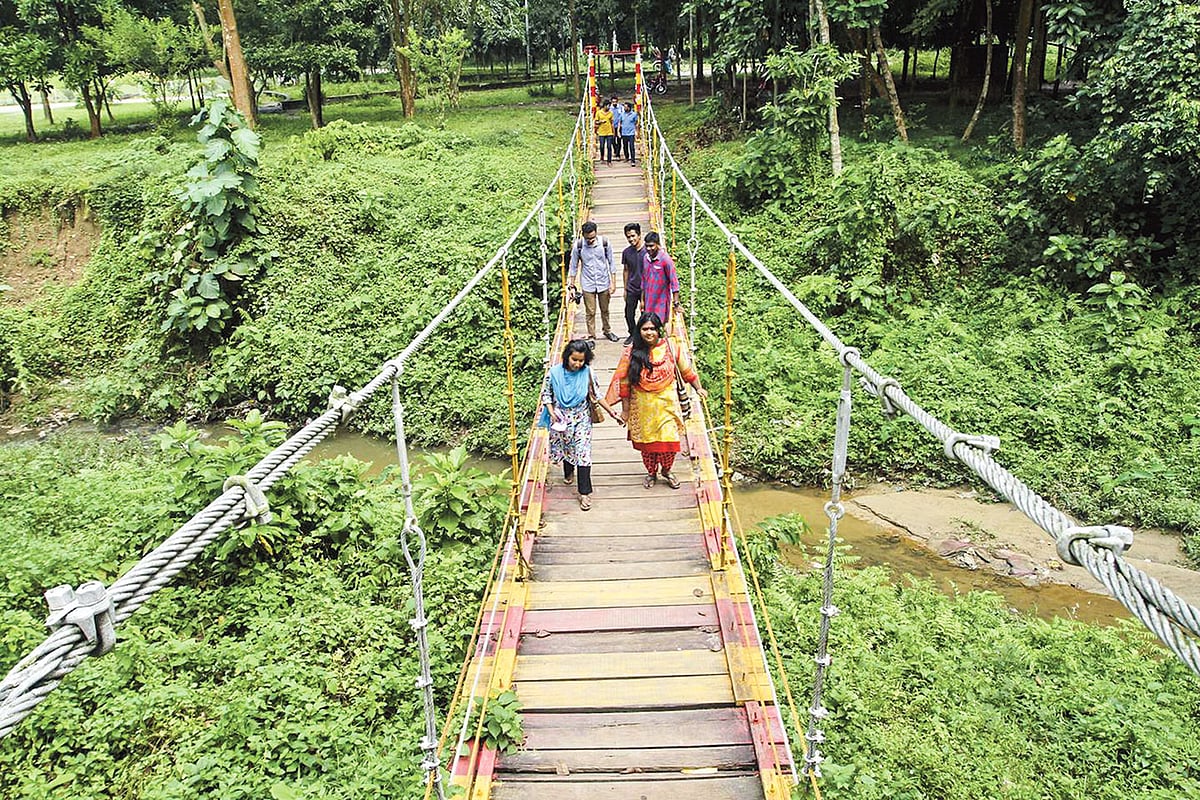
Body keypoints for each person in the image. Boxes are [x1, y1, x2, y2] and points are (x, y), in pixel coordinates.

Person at [606, 312, 707, 489]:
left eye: (653, 328)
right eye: (645, 329)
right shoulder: (631, 353)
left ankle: (667, 471)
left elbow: (686, 371)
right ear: (639, 331)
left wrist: (699, 388)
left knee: (669, 441)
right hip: (642, 407)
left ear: (658, 330)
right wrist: (625, 410)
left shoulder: (671, 348)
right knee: (647, 444)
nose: (649, 332)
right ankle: (651, 472)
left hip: (667, 404)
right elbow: (624, 382)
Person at [540, 340, 623, 511]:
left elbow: (597, 395)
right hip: (561, 417)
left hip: (581, 417)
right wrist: (551, 411)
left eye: (581, 360)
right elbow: (547, 395)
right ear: (566, 357)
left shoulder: (588, 373)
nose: (577, 364)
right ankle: (568, 472)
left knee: (583, 452)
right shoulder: (554, 373)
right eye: (574, 360)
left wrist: (612, 412)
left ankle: (584, 492)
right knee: (567, 447)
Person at [569, 221, 619, 343]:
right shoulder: (579, 245)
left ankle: (607, 330)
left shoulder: (605, 243)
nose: (590, 241)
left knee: (605, 309)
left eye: (592, 237)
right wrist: (572, 286)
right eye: (588, 238)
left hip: (603, 281)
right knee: (590, 312)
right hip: (588, 283)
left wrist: (613, 282)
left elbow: (612, 262)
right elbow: (573, 266)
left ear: (596, 232)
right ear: (583, 235)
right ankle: (591, 335)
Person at [639, 232, 679, 325]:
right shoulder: (645, 258)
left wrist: (676, 303)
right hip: (648, 300)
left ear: (658, 244)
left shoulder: (665, 260)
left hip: (661, 301)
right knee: (648, 324)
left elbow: (674, 282)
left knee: (658, 325)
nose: (649, 249)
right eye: (647, 246)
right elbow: (644, 280)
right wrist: (642, 300)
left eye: (651, 246)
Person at [621, 222, 645, 343]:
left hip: (645, 289)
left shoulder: (647, 252)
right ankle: (632, 333)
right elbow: (626, 270)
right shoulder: (626, 252)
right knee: (628, 314)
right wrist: (625, 289)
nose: (631, 239)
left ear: (639, 235)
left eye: (633, 236)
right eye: (628, 237)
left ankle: (641, 336)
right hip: (632, 287)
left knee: (644, 314)